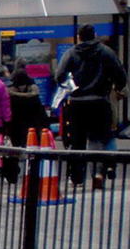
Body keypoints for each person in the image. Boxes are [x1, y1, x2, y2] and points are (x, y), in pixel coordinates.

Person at [54, 24, 126, 187]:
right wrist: (115, 86)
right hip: (100, 100)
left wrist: (70, 87)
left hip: (78, 102)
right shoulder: (106, 52)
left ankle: (77, 177)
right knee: (98, 139)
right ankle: (98, 172)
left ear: (79, 37)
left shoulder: (71, 53)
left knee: (77, 140)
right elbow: (120, 75)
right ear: (94, 34)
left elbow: (59, 75)